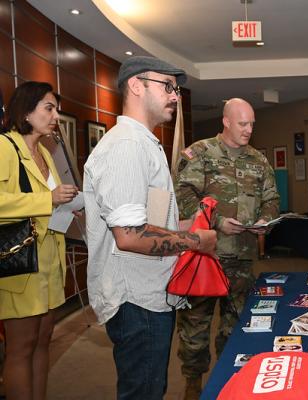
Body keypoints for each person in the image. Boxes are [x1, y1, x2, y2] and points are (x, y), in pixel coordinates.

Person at [83, 56, 217, 400]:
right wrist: (195, 241)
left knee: (151, 387)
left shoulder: (144, 144)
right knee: (143, 391)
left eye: (176, 89)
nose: (175, 96)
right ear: (135, 85)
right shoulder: (127, 146)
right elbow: (129, 237)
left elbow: (151, 224)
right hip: (136, 300)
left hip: (150, 294)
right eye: (167, 86)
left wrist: (189, 224)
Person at [174, 98, 280, 399]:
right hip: (204, 258)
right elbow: (182, 196)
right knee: (195, 329)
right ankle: (193, 384)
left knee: (236, 327)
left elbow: (272, 199)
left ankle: (227, 384)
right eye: (243, 124)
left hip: (242, 260)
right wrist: (217, 221)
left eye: (252, 125)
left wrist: (265, 220)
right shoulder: (200, 154)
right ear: (226, 121)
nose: (249, 130)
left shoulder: (258, 160)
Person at [0, 81, 78, 400]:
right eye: (49, 107)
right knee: (21, 347)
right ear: (27, 111)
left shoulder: (45, 150)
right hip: (20, 264)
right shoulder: (5, 146)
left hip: (49, 263)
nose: (55, 115)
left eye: (55, 108)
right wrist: (48, 200)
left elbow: (52, 202)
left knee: (44, 340)